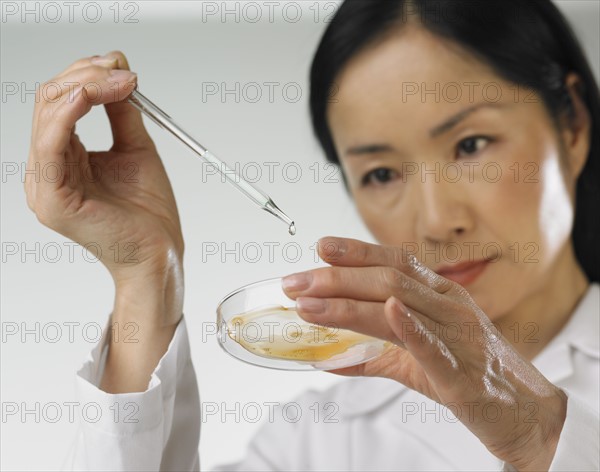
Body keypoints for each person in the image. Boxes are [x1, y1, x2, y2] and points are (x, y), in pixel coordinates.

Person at [25, 0, 599, 470]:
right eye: (381, 173)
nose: (435, 220)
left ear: (572, 122)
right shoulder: (317, 442)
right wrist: (143, 272)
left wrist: (542, 438)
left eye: (471, 145)